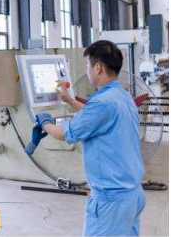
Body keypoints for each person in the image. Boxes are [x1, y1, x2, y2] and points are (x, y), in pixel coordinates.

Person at [34, 40, 145, 236]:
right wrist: (70, 100)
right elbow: (95, 116)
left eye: (88, 65)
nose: (87, 69)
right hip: (133, 195)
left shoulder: (102, 103)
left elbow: (64, 133)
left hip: (111, 201)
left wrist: (44, 122)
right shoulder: (122, 96)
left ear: (98, 67)